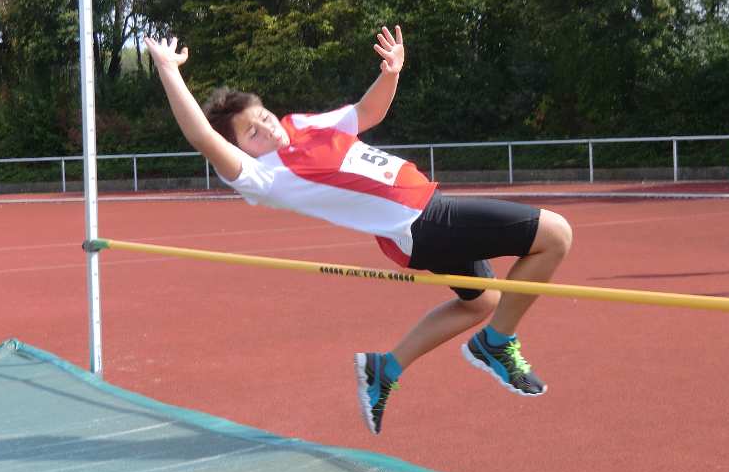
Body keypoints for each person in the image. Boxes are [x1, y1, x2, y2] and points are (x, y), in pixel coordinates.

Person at [143, 27, 572, 435]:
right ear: (240, 149)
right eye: (253, 133)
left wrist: (391, 73)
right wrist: (167, 69)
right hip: (422, 222)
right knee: (555, 234)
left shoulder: (300, 125)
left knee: (483, 302)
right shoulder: (262, 176)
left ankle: (386, 368)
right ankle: (497, 342)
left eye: (265, 117)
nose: (268, 129)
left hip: (420, 220)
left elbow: (368, 112)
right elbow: (202, 135)